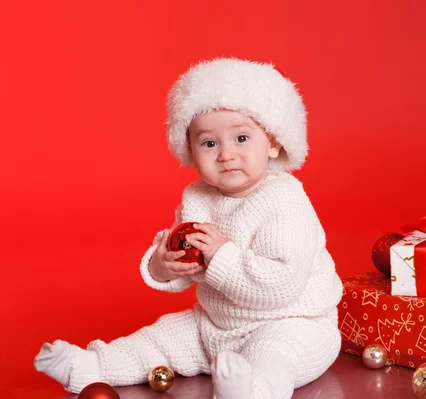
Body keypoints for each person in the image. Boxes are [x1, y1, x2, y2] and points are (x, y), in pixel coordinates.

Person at [34, 58, 343, 399]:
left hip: (291, 324)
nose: (226, 154)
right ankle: (91, 365)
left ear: (273, 142)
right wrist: (164, 263)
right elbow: (183, 267)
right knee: (160, 336)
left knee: (275, 357)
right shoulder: (197, 196)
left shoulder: (284, 199)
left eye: (241, 138)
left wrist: (221, 256)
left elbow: (281, 286)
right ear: (190, 151)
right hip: (214, 325)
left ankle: (251, 391)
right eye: (210, 143)